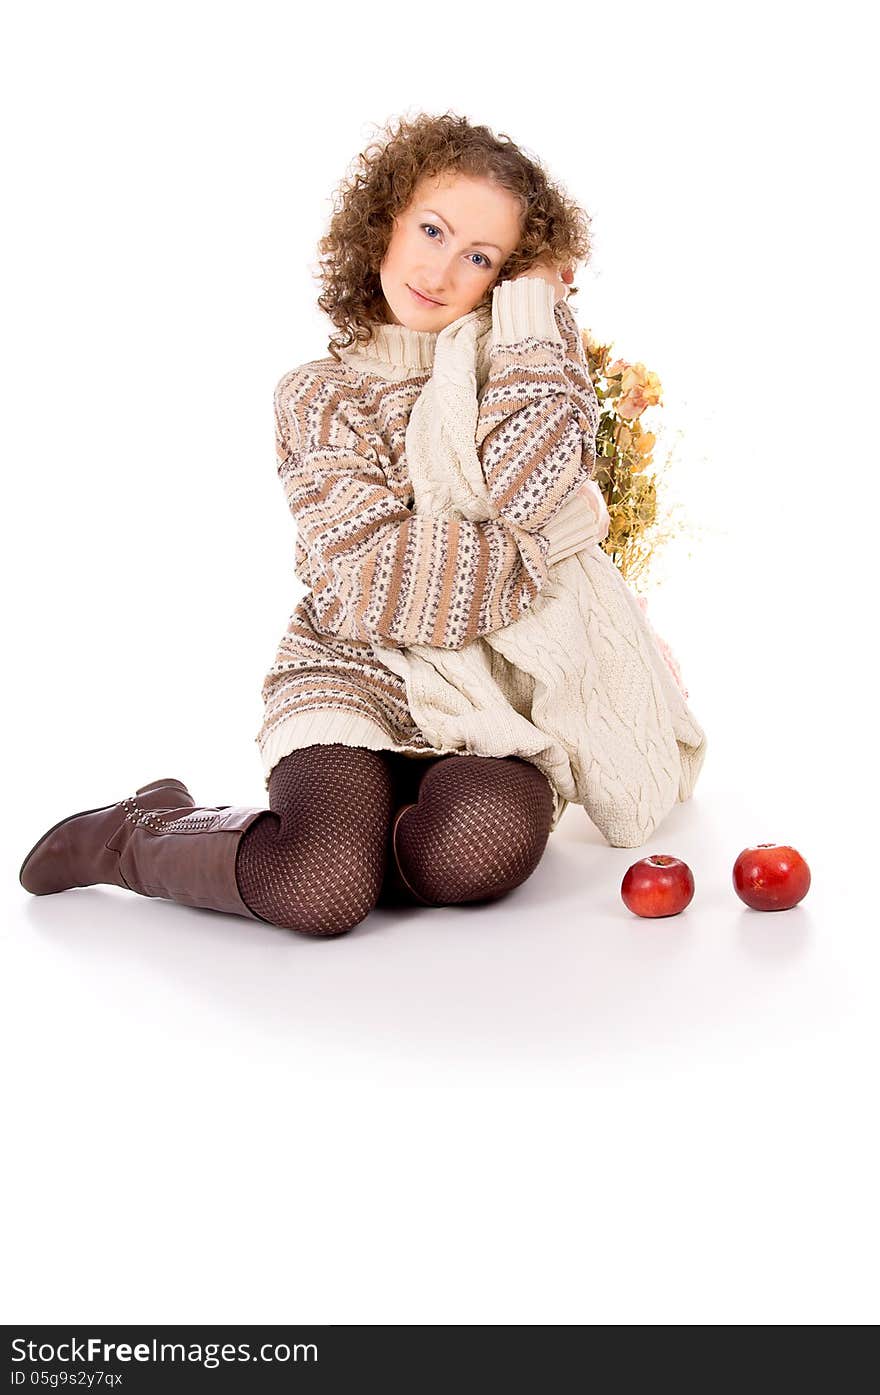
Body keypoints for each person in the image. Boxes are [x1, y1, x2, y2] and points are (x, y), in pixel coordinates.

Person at [19, 111, 601, 937]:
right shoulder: (318, 396)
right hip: (352, 673)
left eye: (481, 257)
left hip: (485, 698)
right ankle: (140, 833)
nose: (441, 268)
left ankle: (373, 827)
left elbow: (528, 475)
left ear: (507, 282)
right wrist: (548, 541)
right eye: (431, 230)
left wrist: (536, 313)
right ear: (384, 222)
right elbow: (375, 585)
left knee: (483, 845)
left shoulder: (525, 364)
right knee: (321, 889)